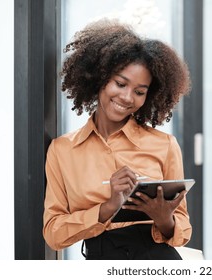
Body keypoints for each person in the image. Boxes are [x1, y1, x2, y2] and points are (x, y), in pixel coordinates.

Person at [43, 18, 192, 260]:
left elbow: (183, 229)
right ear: (99, 77)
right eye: (120, 83)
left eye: (140, 91)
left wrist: (165, 219)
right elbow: (53, 233)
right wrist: (108, 207)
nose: (126, 97)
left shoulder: (164, 145)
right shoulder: (62, 151)